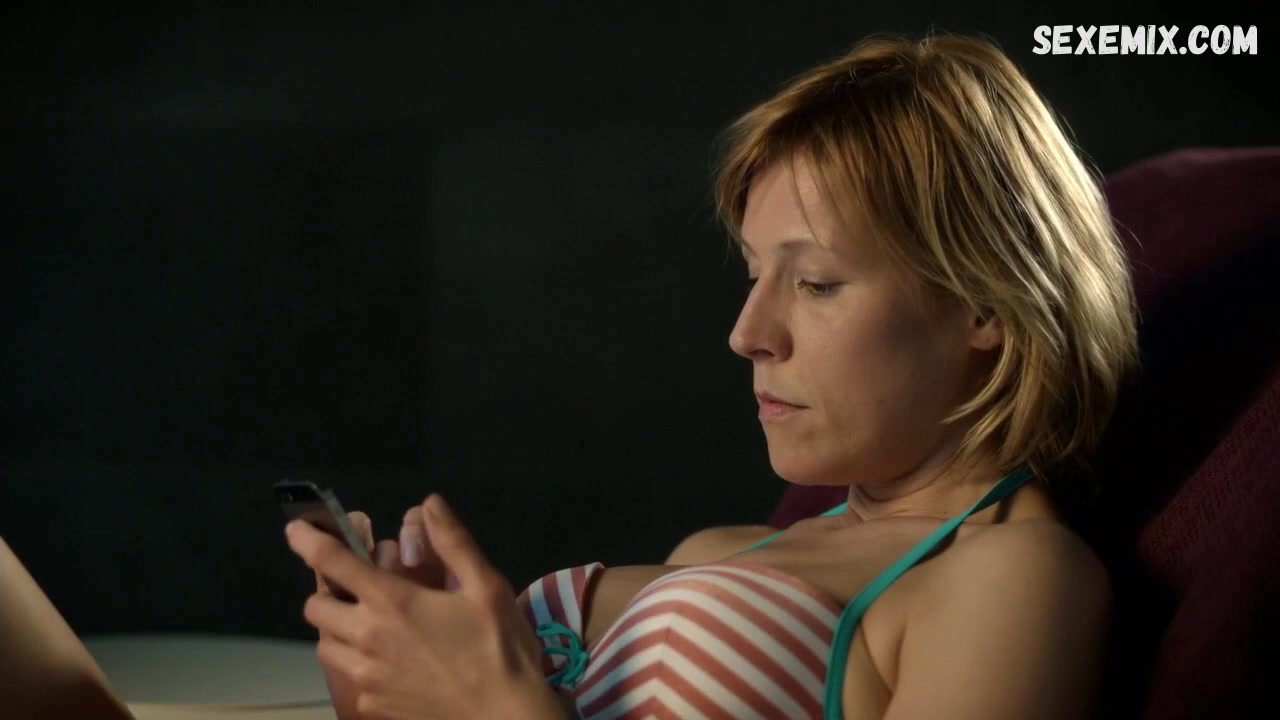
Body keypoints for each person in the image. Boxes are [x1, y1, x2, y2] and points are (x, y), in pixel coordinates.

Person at [0, 29, 1137, 720]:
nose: (747, 333)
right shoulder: (728, 550)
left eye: (817, 283)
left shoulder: (1012, 580)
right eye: (753, 276)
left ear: (986, 307)